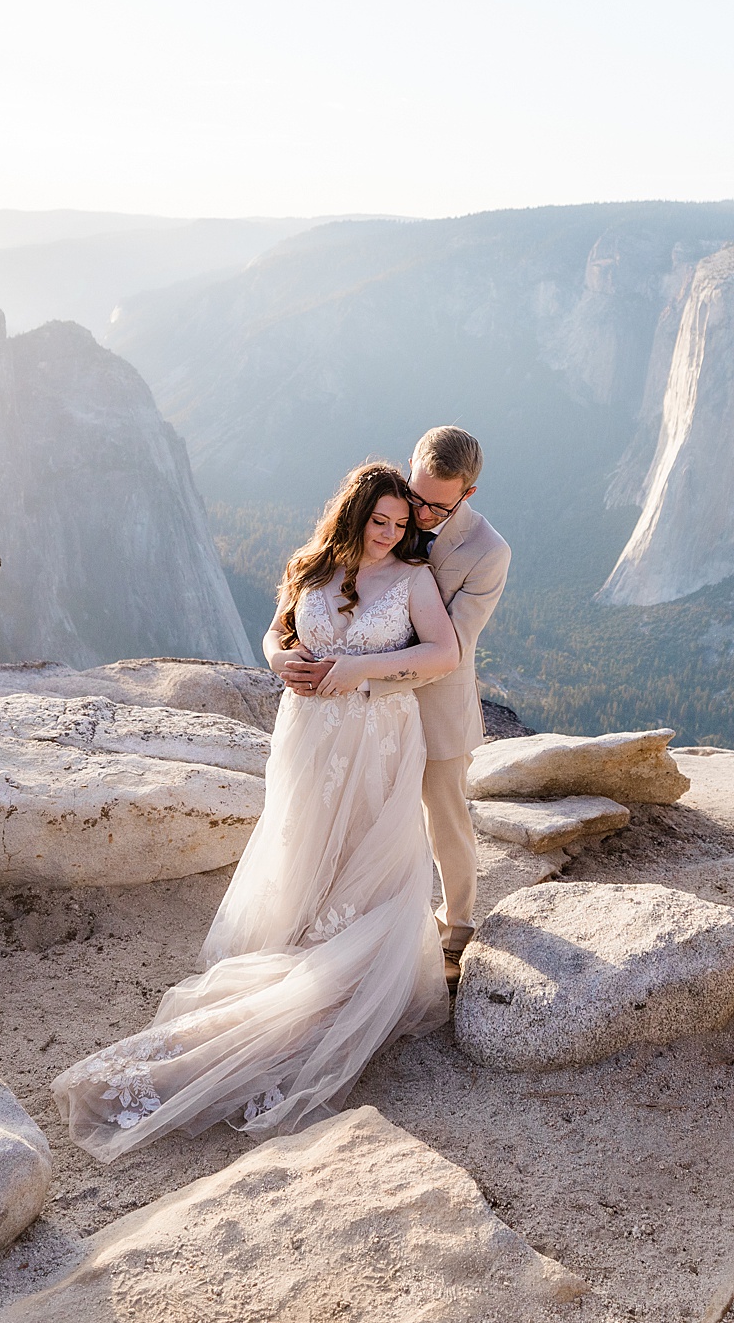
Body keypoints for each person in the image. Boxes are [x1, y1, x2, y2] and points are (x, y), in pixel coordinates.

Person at [47, 461, 461, 1162]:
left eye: (399, 523)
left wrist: (362, 668)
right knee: (302, 840)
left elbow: (443, 653)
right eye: (378, 521)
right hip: (306, 734)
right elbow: (274, 636)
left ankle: (345, 962)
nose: (390, 534)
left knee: (370, 856)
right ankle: (301, 939)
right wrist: (278, 663)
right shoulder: (307, 569)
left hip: (379, 737)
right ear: (352, 515)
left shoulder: (415, 581)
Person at [272, 427, 509, 983]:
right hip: (359, 711)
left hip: (434, 702)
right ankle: (355, 917)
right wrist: (288, 656)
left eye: (437, 505)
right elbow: (315, 595)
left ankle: (457, 931)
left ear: (467, 496)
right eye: (417, 496)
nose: (420, 514)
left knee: (444, 818)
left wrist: (361, 674)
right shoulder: (388, 508)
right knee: (362, 816)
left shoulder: (488, 552)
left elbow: (454, 648)